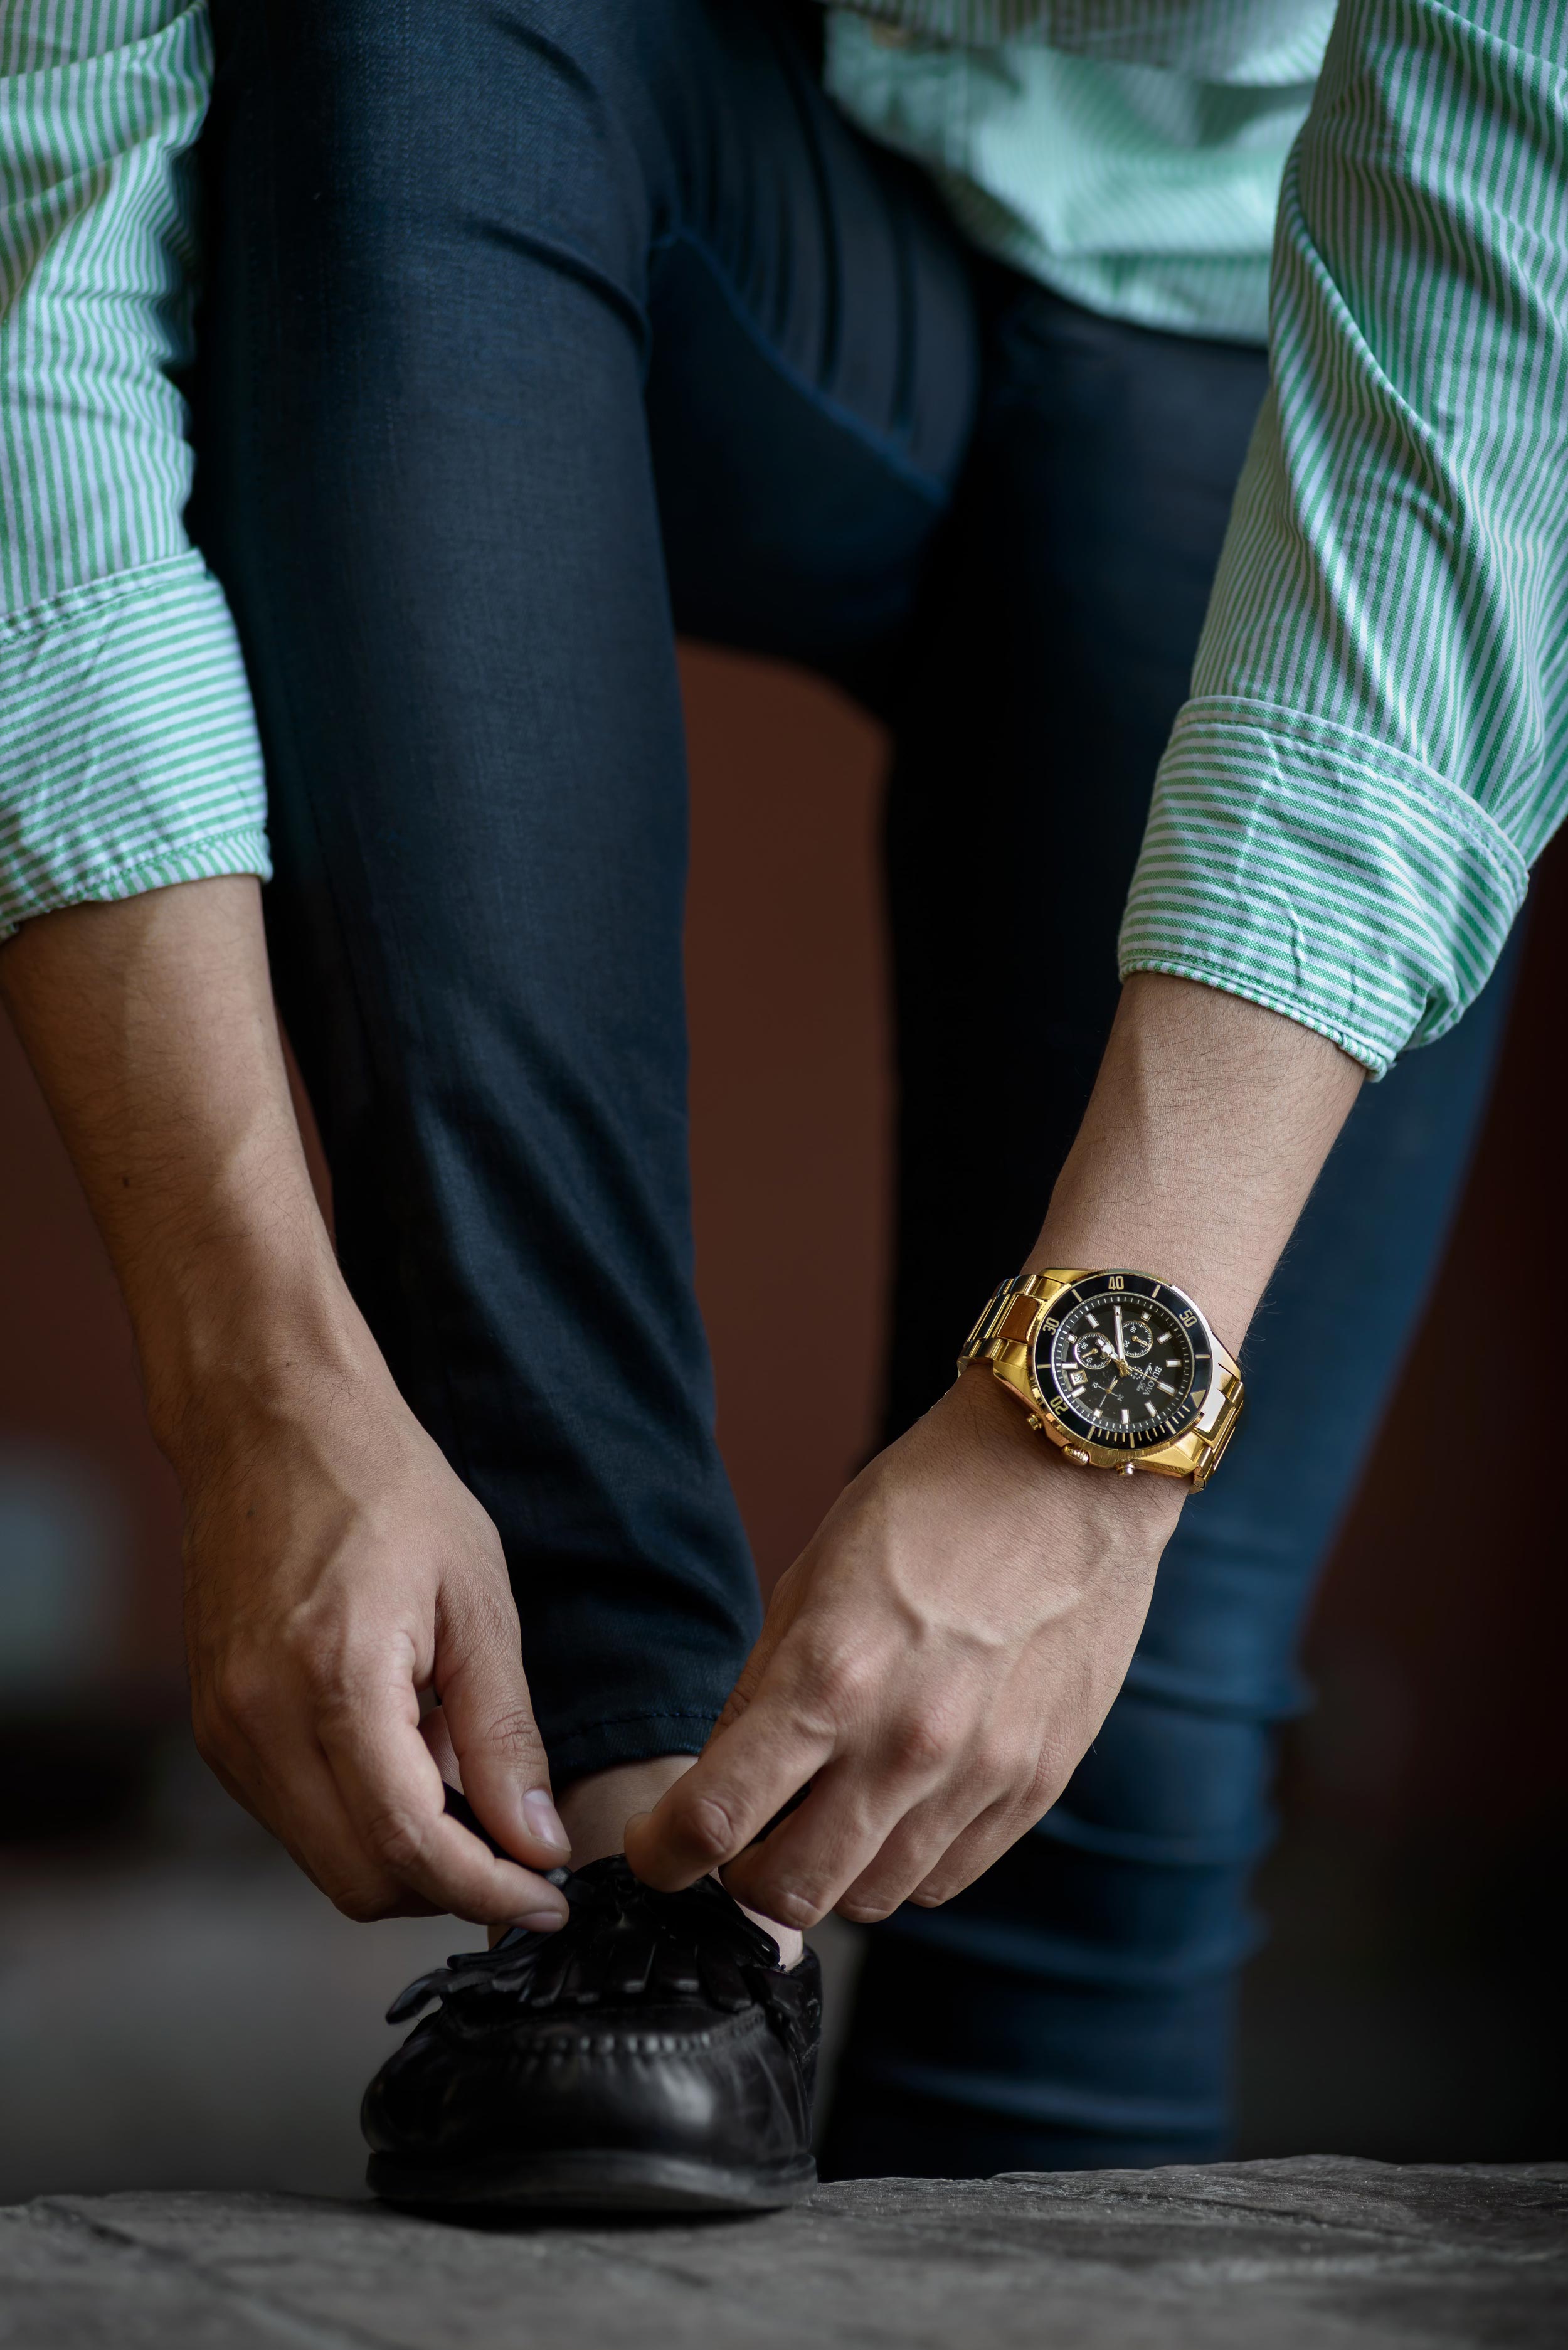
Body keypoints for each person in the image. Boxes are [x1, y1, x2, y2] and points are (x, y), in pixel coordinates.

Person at [0, 0, 1559, 2206]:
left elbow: (1493, 380)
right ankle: (632, 1816)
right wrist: (251, 1371)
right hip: (650, 165)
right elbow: (29, 292)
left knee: (1095, 1798)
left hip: (1312, 342)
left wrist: (1076, 1457)